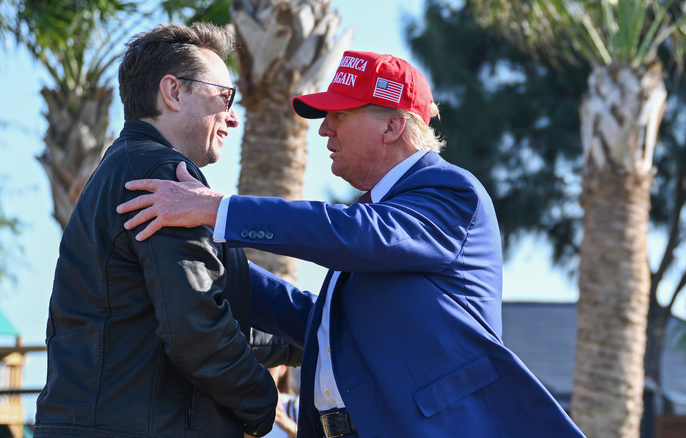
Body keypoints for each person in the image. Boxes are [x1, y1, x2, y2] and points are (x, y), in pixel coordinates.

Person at [116, 50, 586, 437]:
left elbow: (358, 234)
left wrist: (220, 210)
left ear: (393, 125)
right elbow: (317, 323)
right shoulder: (378, 218)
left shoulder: (450, 192)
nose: (324, 129)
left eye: (340, 114)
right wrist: (209, 254)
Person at [33, 22, 279, 438]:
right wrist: (263, 406)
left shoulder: (123, 168)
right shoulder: (164, 177)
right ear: (174, 92)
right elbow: (196, 328)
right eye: (225, 97)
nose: (233, 117)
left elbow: (183, 311)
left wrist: (314, 337)